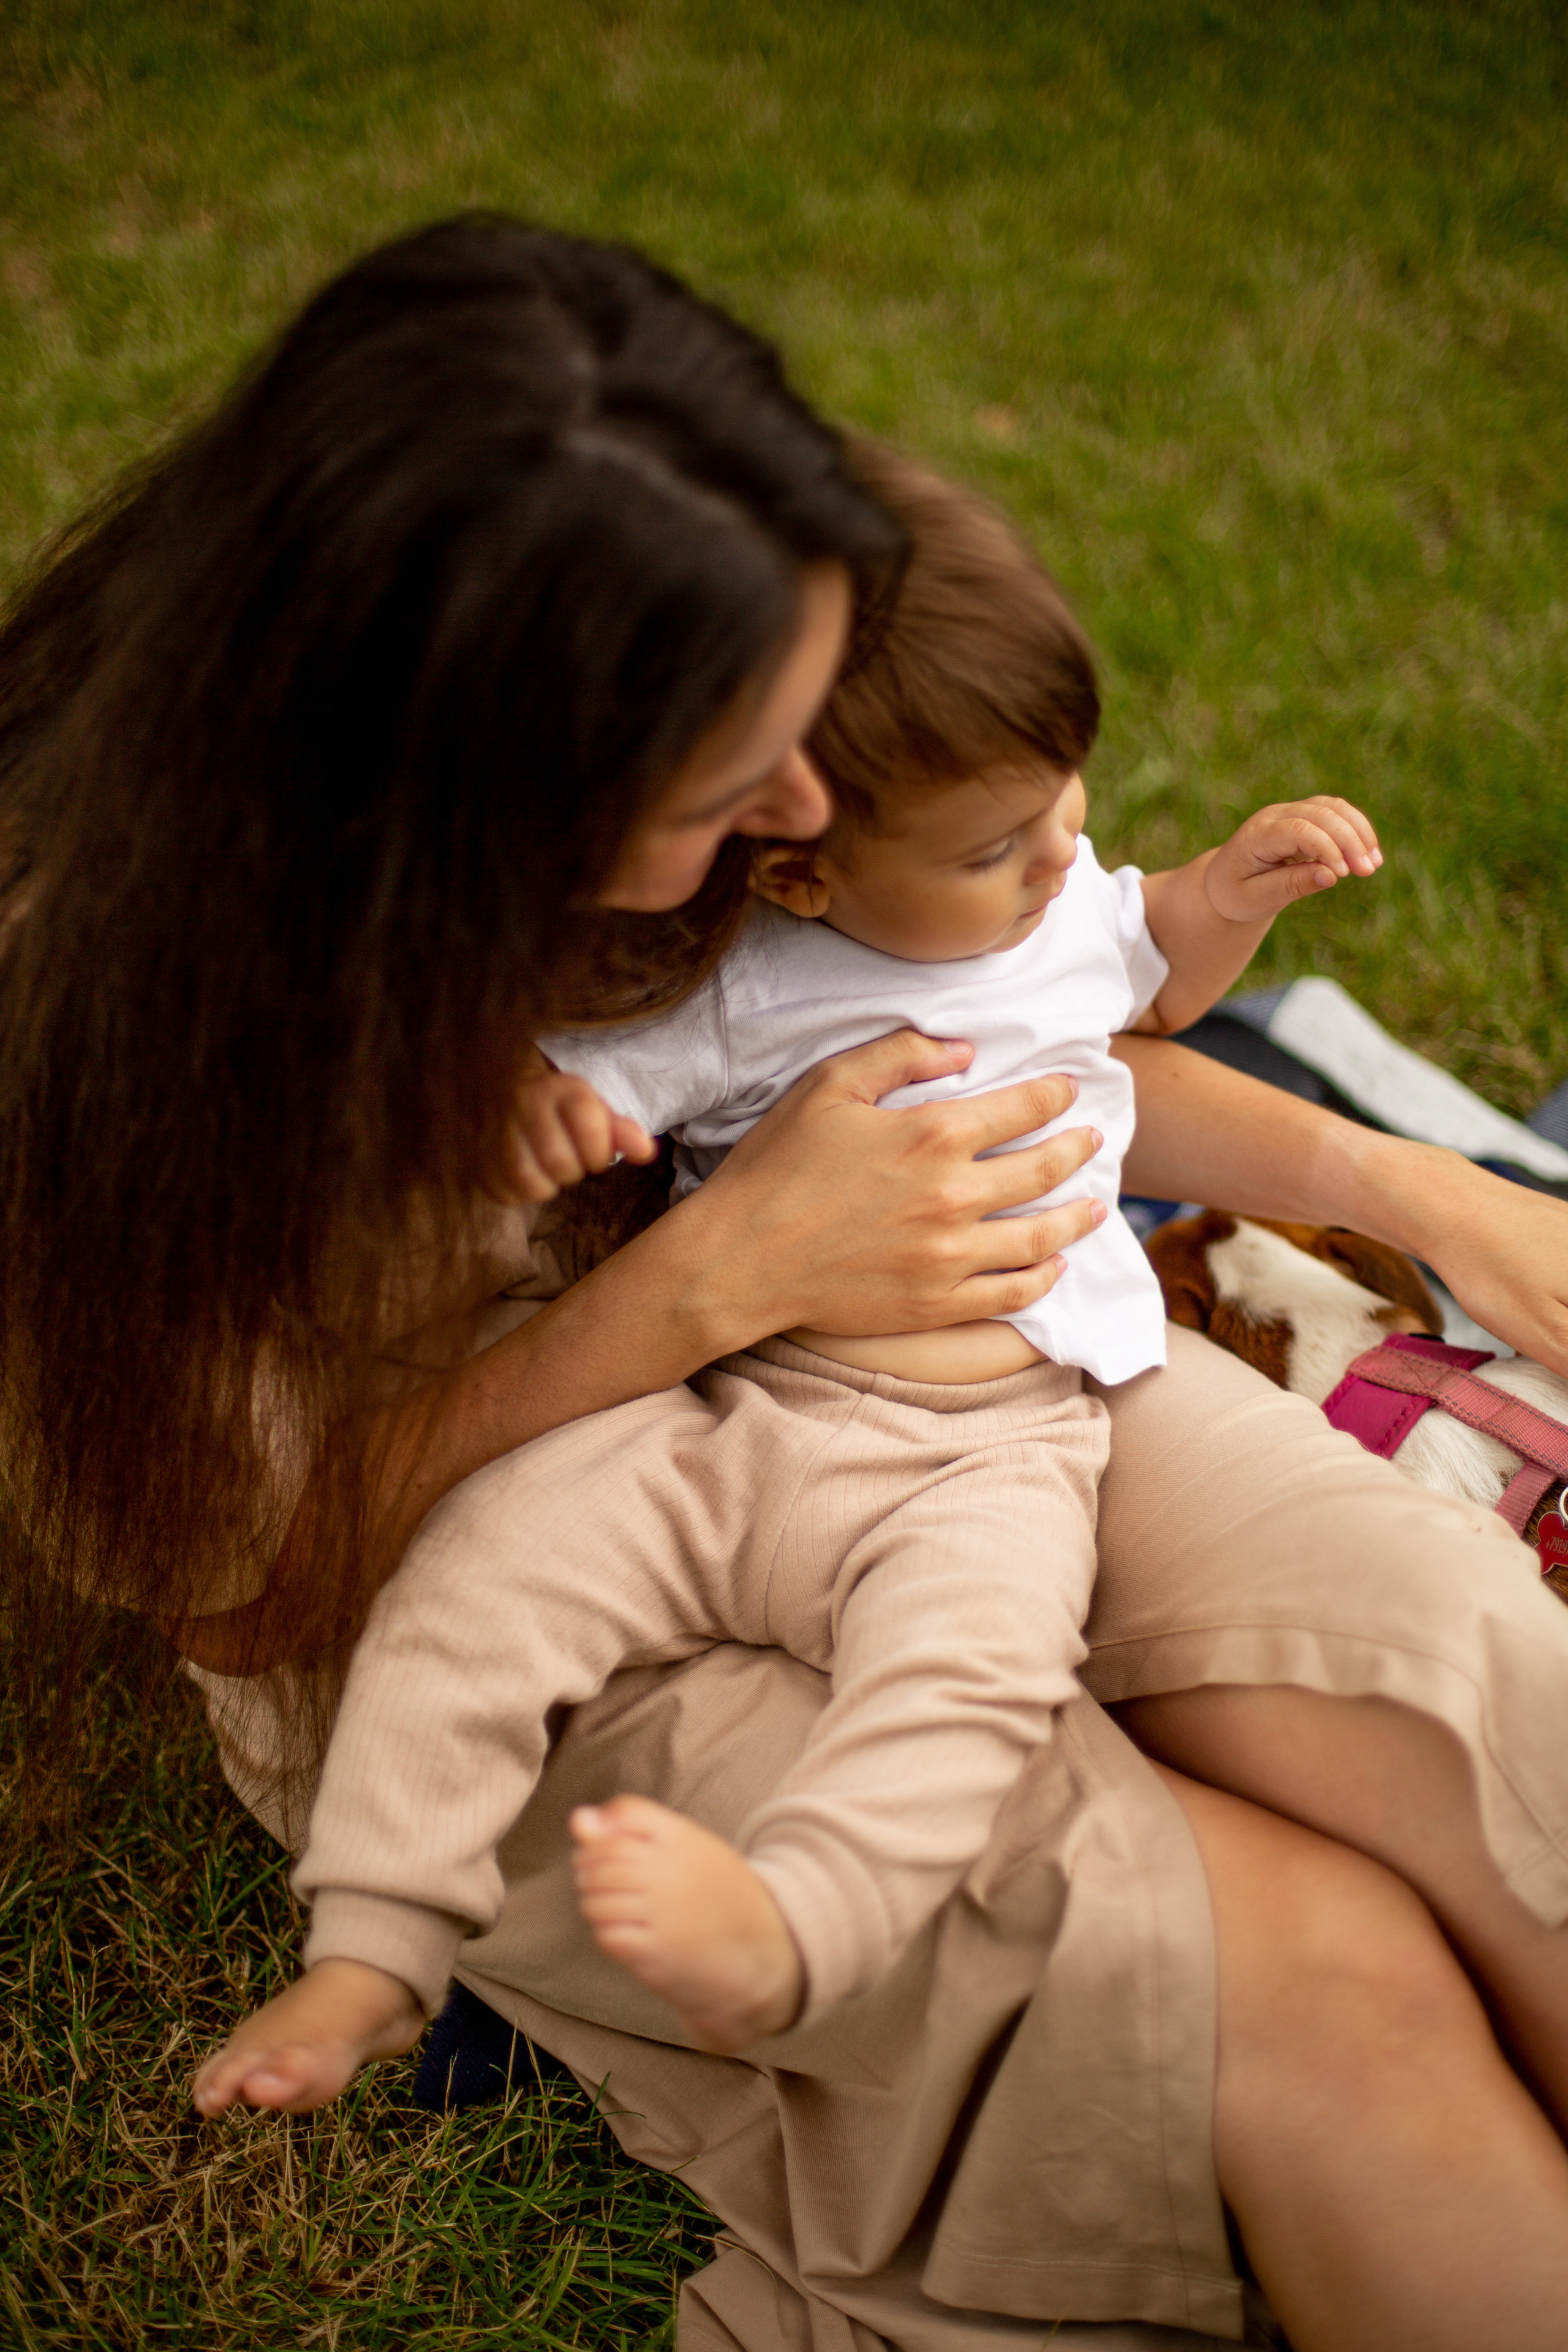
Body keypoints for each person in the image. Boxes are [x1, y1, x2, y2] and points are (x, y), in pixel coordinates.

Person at [6, 216, 1568, 2352]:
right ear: (482, 769)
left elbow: (998, 1043)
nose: (814, 819)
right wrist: (704, 1284)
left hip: (965, 1368)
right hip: (511, 1556)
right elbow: (249, 1589)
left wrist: (1427, 1192)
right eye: (741, 783)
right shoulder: (91, 1055)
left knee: (1475, 1706)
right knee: (1290, 1983)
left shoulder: (752, 777)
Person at [189, 443, 1385, 2103]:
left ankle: (799, 1927)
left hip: (993, 1449)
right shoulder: (746, 983)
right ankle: (373, 1944)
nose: (1061, 856)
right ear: (800, 866)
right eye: (997, 843)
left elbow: (1159, 965)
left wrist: (1233, 891)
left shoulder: (1052, 914)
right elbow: (604, 1081)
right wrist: (556, 1117)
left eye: (1066, 802)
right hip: (728, 1416)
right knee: (485, 1579)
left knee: (966, 1690)